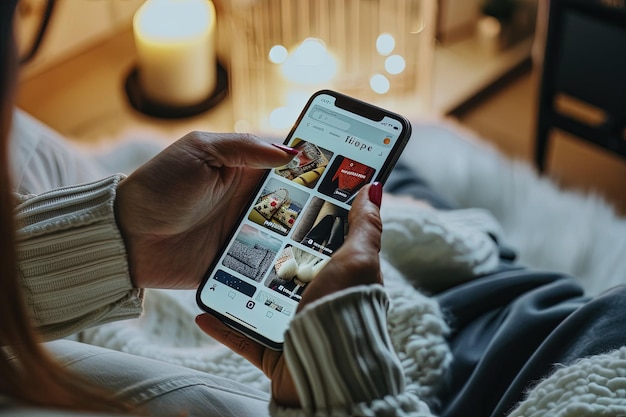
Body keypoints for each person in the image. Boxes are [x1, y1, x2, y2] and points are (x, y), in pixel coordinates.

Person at [3, 1, 626, 416]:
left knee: (371, 180)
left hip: (508, 330)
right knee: (393, 193)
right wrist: (343, 383)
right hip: (486, 358)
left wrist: (123, 240)